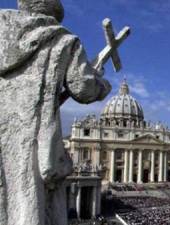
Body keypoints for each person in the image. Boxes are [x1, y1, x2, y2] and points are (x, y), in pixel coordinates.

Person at [0, 0, 111, 225]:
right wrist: (101, 82)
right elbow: (83, 89)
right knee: (30, 202)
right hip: (33, 139)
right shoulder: (62, 39)